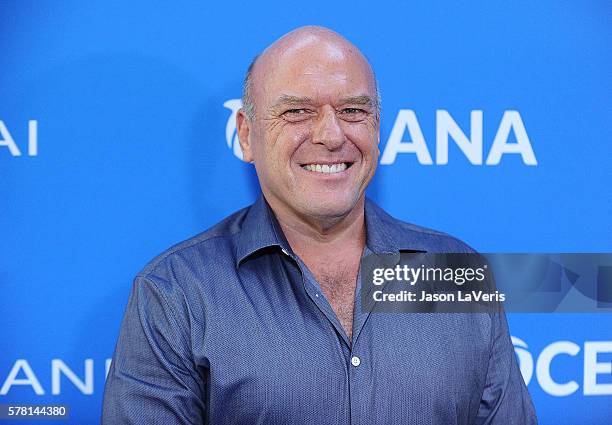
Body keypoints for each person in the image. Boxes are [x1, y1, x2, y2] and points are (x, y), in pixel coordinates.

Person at [102, 26, 537, 424]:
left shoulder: (454, 271)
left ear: (378, 130)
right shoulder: (176, 292)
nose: (331, 135)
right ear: (247, 135)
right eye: (297, 112)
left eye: (352, 110)